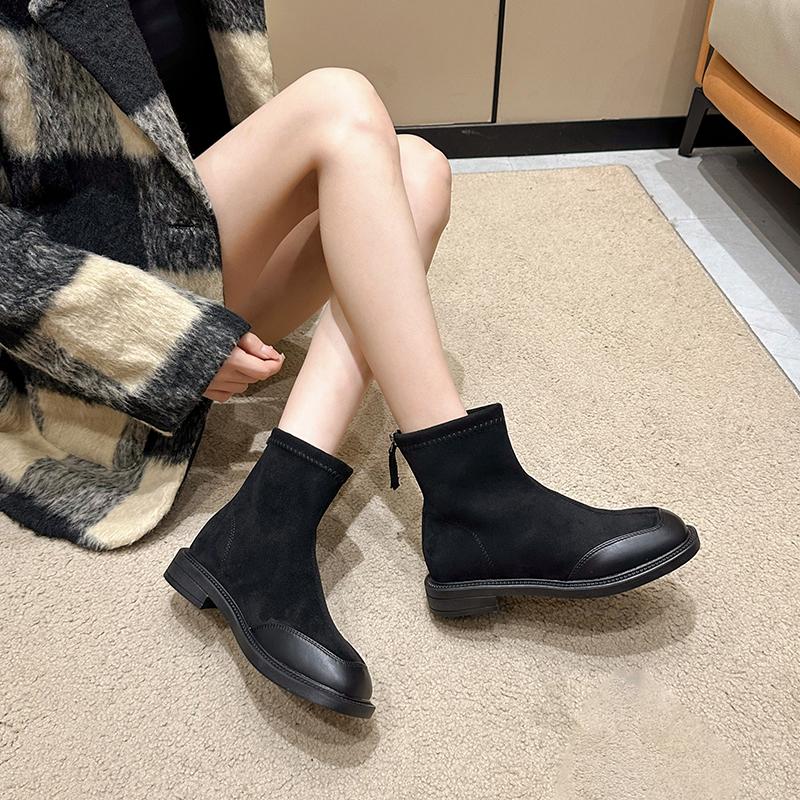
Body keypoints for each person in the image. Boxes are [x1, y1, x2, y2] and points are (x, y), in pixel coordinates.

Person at [0, 0, 700, 719]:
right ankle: (474, 501)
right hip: (84, 328)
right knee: (338, 102)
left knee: (418, 170)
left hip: (190, 247)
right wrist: (161, 340)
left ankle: (266, 522)